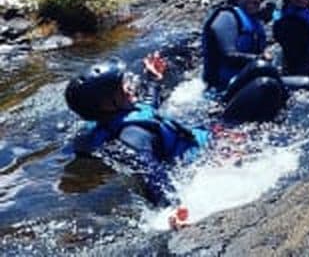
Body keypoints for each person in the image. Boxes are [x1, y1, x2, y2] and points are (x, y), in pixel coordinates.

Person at [65, 54, 210, 218]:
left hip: (195, 143)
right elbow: (153, 178)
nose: (129, 85)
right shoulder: (133, 138)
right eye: (122, 86)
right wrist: (172, 211)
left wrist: (153, 79)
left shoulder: (117, 115)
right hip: (202, 159)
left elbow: (147, 109)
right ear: (108, 103)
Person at [201, 0, 309, 123]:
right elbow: (228, 55)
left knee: (308, 84)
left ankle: (292, 113)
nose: (251, 0)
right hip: (224, 89)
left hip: (248, 81)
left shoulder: (255, 21)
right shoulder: (226, 17)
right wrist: (258, 58)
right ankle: (220, 111)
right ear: (234, 0)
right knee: (262, 70)